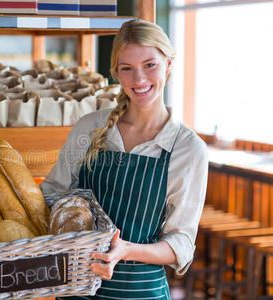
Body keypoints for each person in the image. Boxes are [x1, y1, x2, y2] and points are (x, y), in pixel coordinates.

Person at [40, 18, 208, 299]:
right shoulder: (90, 128)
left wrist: (127, 249)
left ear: (168, 64)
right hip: (77, 289)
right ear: (116, 73)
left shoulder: (187, 148)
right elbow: (52, 195)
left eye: (149, 65)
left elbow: (180, 244)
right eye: (127, 68)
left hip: (140, 292)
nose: (139, 79)